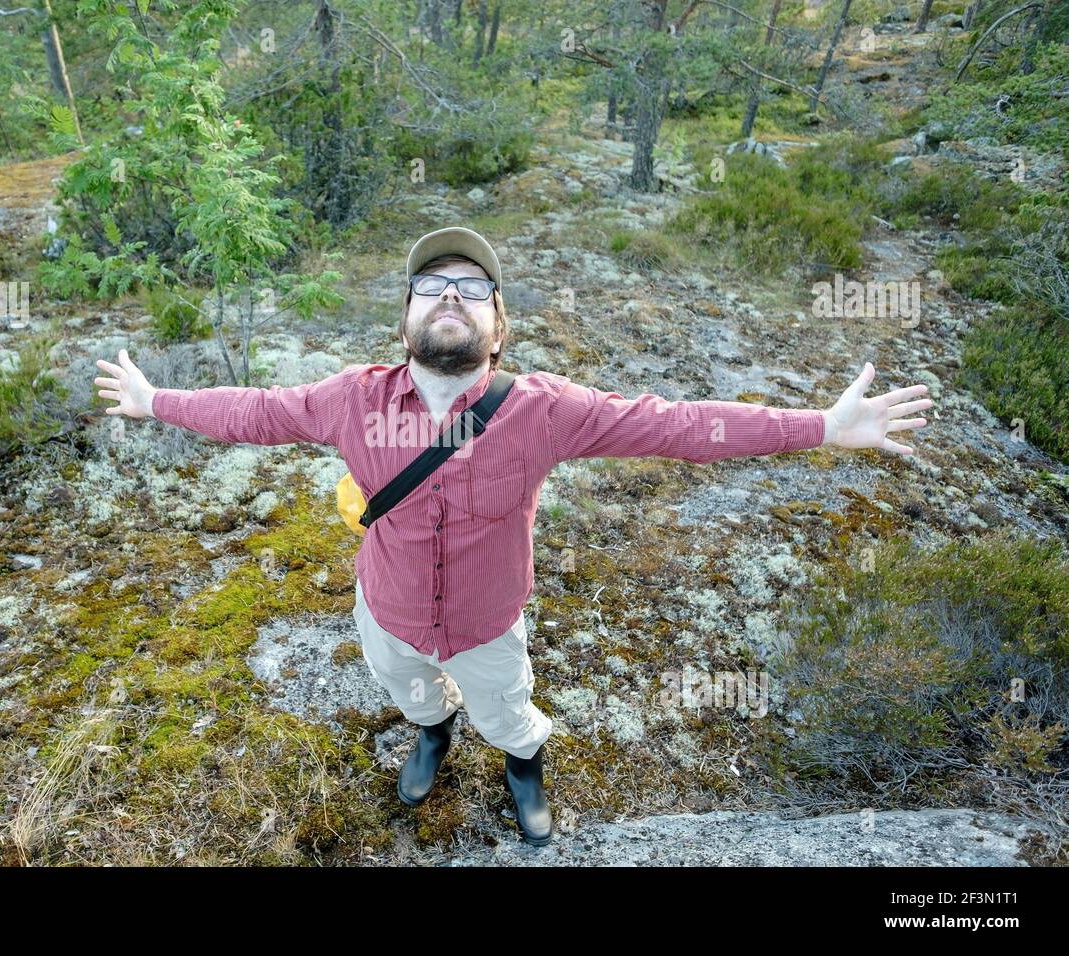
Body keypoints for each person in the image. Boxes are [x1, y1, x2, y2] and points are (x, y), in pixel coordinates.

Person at [94, 226, 935, 847]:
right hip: (384, 612)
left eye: (472, 287)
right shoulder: (349, 399)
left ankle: (522, 763)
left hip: (489, 624)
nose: (451, 294)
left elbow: (680, 425)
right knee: (410, 690)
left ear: (499, 328)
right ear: (405, 317)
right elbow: (255, 411)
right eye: (432, 284)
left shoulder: (544, 411)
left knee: (507, 709)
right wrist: (156, 399)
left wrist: (820, 426)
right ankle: (430, 731)